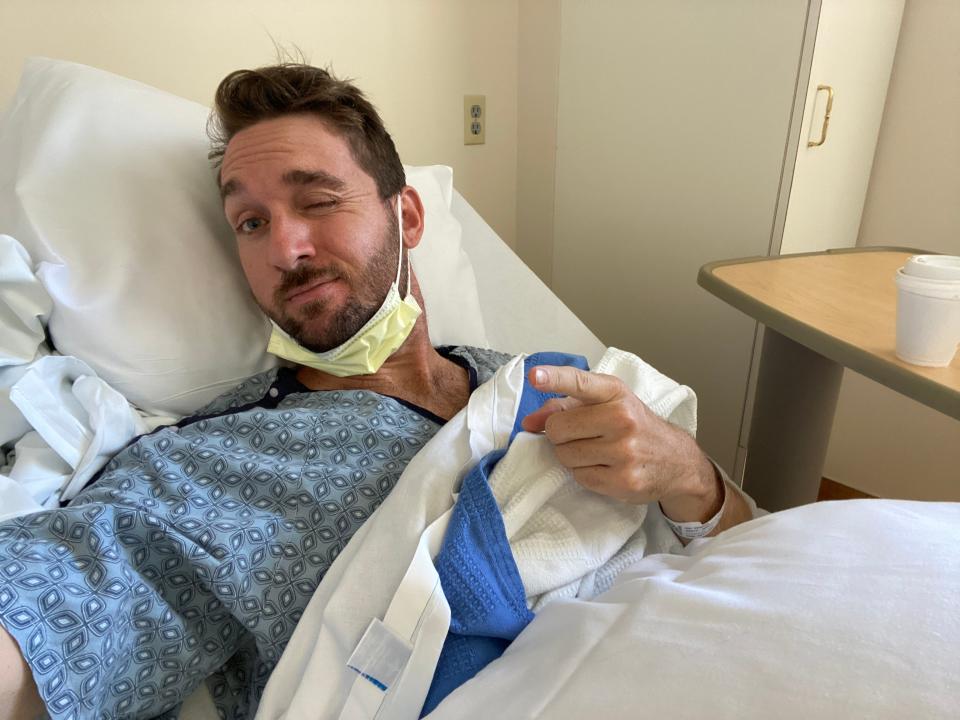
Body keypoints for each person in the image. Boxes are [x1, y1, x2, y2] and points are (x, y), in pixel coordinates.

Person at [0, 63, 753, 720]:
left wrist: (693, 477)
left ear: (410, 215)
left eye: (318, 201)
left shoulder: (528, 377)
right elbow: (58, 604)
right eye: (251, 222)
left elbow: (747, 546)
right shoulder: (212, 461)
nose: (285, 248)